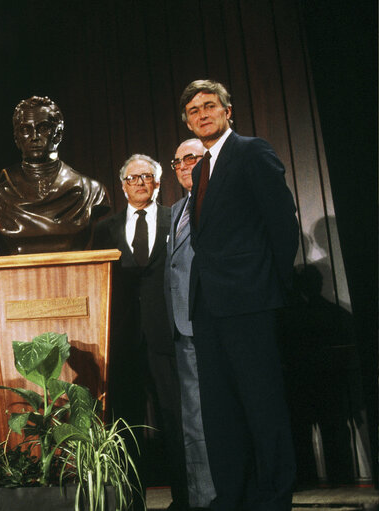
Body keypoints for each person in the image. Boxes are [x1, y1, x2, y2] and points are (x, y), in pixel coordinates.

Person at [180, 79, 299, 510]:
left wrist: (271, 289)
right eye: (194, 110)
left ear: (228, 111)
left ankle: (273, 497)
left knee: (263, 406)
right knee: (221, 412)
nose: (202, 114)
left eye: (210, 106)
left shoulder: (252, 150)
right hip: (209, 308)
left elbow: (282, 225)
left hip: (251, 302)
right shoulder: (199, 170)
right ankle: (233, 496)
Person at [92, 154, 187, 510]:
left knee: (174, 421)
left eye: (146, 177)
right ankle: (132, 502)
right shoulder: (105, 229)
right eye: (132, 178)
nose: (139, 183)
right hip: (123, 339)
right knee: (126, 423)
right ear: (122, 185)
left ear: (158, 182)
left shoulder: (175, 217)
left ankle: (186, 499)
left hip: (167, 335)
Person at [0, 96, 110, 254]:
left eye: (43, 128)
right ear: (17, 138)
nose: (34, 136)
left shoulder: (91, 191)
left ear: (58, 134)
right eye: (26, 129)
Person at [165, 138, 215, 510]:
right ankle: (204, 498)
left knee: (219, 417)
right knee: (193, 421)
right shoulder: (176, 210)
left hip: (215, 325)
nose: (184, 166)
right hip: (184, 331)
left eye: (192, 158)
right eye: (178, 161)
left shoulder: (217, 198)